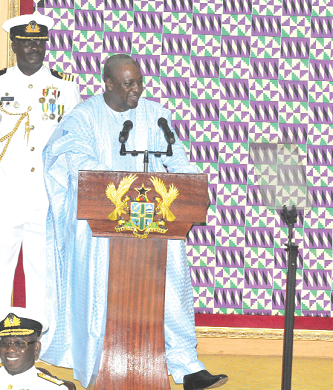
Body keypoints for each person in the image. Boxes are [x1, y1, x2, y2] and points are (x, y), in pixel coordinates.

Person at [41, 54, 228, 389]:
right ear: (108, 83)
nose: (137, 89)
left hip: (156, 223)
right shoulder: (84, 117)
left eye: (140, 81)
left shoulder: (156, 116)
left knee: (172, 291)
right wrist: (117, 186)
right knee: (101, 295)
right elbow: (73, 158)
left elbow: (178, 158)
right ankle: (100, 366)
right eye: (129, 83)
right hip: (101, 227)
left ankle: (187, 368)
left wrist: (196, 188)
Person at [0, 14, 82, 368]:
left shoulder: (65, 88)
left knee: (42, 279)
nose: (34, 48)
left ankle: (39, 352)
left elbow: (72, 145)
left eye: (40, 42)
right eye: (27, 42)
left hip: (45, 201)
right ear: (13, 45)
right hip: (2, 197)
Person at [0, 308, 76, 389]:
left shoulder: (52, 388)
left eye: (20, 343)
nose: (10, 349)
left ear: (36, 348)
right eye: (5, 343)